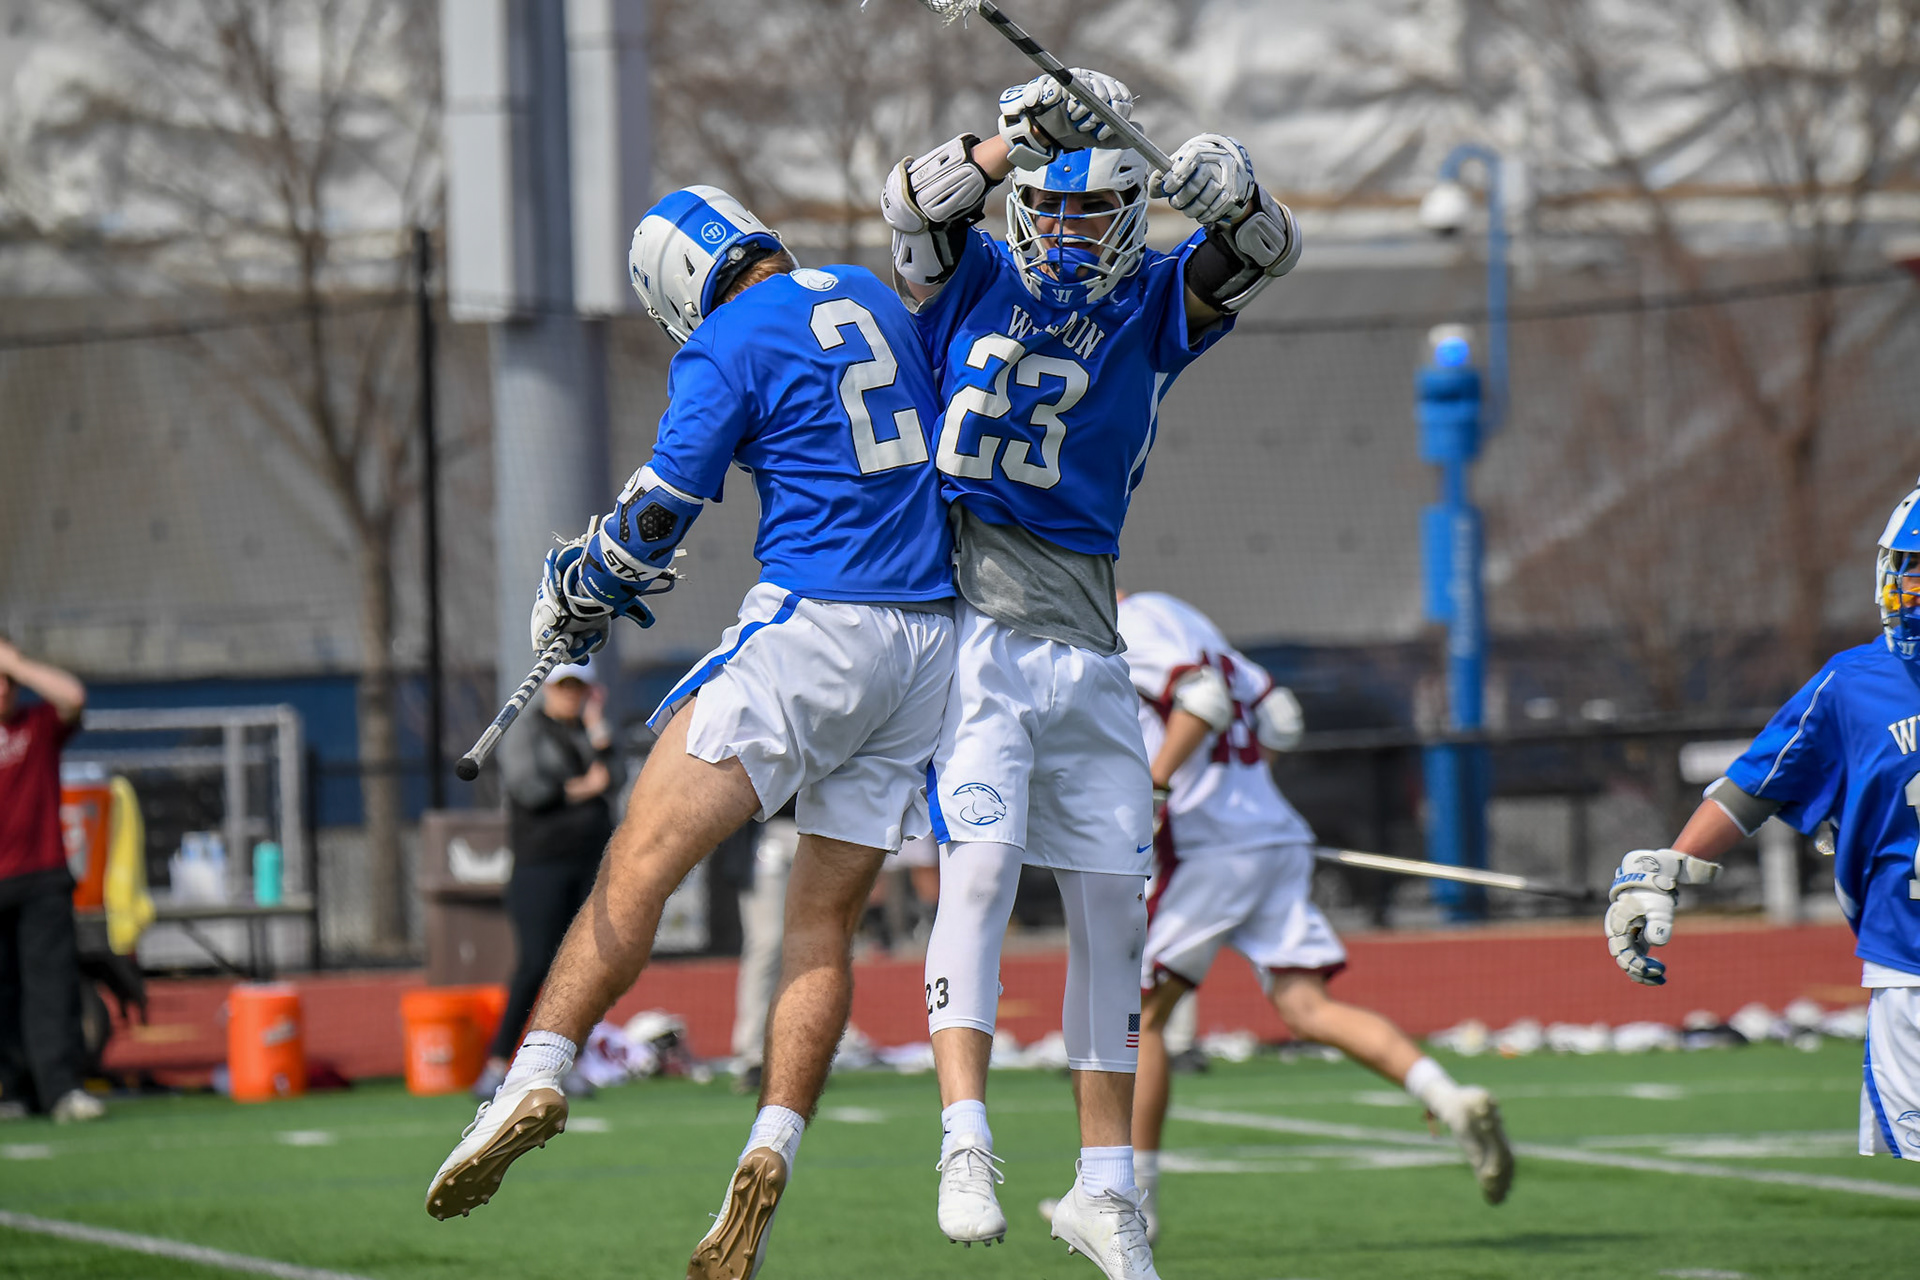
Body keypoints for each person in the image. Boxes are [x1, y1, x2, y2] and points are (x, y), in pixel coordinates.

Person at [426, 185, 956, 1280]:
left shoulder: (723, 338)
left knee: (641, 856)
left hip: (819, 624)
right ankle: (772, 1141)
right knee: (823, 921)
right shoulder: (866, 292)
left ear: (675, 280)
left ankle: (536, 1066)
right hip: (926, 649)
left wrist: (586, 576)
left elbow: (664, 507)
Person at [881, 69, 1300, 1278]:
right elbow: (910, 207)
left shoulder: (1157, 301)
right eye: (1050, 210)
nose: (1067, 231)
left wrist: (1236, 185)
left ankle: (1104, 1188)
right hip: (975, 633)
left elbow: (1267, 251)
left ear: (1131, 212)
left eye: (1091, 209)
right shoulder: (972, 275)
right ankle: (965, 1137)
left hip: (1090, 645)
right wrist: (1012, 141)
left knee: (1118, 907)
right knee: (984, 871)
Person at [1091, 591, 1512, 1240]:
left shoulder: (1126, 622)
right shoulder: (1185, 615)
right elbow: (1279, 719)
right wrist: (1244, 793)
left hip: (1206, 847)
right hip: (1270, 833)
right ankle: (1446, 1098)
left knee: (1136, 1016)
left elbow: (1202, 700)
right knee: (1305, 1007)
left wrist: (1158, 783)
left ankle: (1129, 1206)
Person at [1605, 479, 1920, 1159]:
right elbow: (1757, 786)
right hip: (1909, 971)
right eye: (1913, 570)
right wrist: (1663, 871)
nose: (1913, 590)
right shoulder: (1854, 684)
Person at [472, 659, 622, 1101]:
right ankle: (498, 1062)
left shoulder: (588, 732)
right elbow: (531, 789)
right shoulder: (529, 732)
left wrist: (598, 728)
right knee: (534, 964)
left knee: (578, 970)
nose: (570, 696)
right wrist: (586, 787)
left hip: (588, 865)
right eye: (563, 688)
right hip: (540, 865)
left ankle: (563, 1063)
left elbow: (617, 775)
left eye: (579, 689)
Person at [0, 635, 103, 1124]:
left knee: (51, 989)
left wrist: (17, 663)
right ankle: (12, 1091)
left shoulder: (38, 725)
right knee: (3, 993)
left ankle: (61, 1090)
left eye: (7, 681)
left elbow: (73, 697)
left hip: (41, 877)